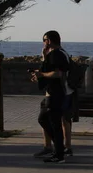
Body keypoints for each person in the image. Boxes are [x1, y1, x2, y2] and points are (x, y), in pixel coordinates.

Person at [30, 30, 72, 163]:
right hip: (54, 93)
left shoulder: (56, 54)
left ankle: (59, 153)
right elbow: (50, 70)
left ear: (49, 40)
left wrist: (41, 75)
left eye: (44, 40)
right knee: (44, 119)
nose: (43, 43)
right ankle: (59, 149)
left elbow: (58, 73)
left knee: (53, 123)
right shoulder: (60, 53)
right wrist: (43, 58)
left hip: (56, 93)